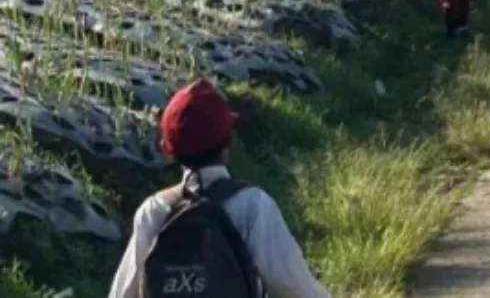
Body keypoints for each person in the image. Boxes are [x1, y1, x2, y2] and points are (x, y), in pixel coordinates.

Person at [108, 79, 332, 298]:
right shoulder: (252, 206)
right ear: (227, 141)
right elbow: (294, 286)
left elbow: (123, 293)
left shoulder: (153, 210)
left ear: (169, 148)